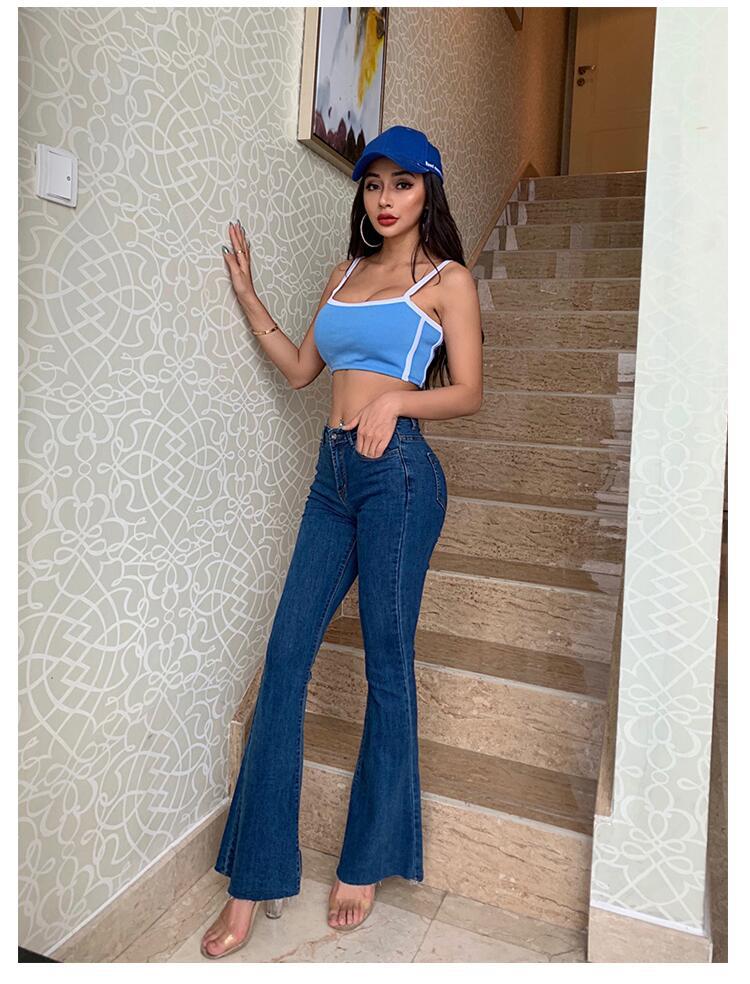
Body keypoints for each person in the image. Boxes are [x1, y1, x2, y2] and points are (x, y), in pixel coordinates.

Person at [200, 125, 483, 958]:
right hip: (332, 477)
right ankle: (253, 880)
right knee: (285, 657)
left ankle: (367, 859)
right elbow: (301, 370)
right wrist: (251, 299)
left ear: (428, 191)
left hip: (400, 475)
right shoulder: (343, 274)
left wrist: (396, 401)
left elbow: (469, 391)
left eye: (403, 183)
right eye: (373, 184)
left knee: (385, 664)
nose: (386, 199)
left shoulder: (446, 280)